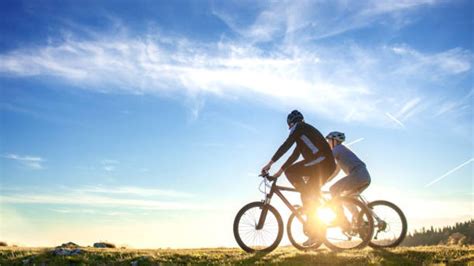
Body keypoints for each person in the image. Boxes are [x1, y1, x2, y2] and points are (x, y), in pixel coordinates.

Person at [261, 110, 336, 246]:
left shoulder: (298, 128)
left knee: (295, 178)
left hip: (322, 161)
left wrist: (269, 164)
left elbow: (286, 145)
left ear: (290, 123)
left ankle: (310, 202)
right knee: (306, 196)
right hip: (324, 163)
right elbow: (294, 155)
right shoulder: (304, 133)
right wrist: (278, 173)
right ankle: (316, 232)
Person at [325, 131, 371, 198]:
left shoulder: (337, 148)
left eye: (329, 140)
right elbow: (336, 171)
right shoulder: (341, 150)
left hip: (357, 174)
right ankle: (364, 208)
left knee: (333, 189)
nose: (328, 143)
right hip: (365, 176)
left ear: (334, 140)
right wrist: (326, 181)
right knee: (348, 199)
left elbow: (326, 161)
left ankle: (338, 209)